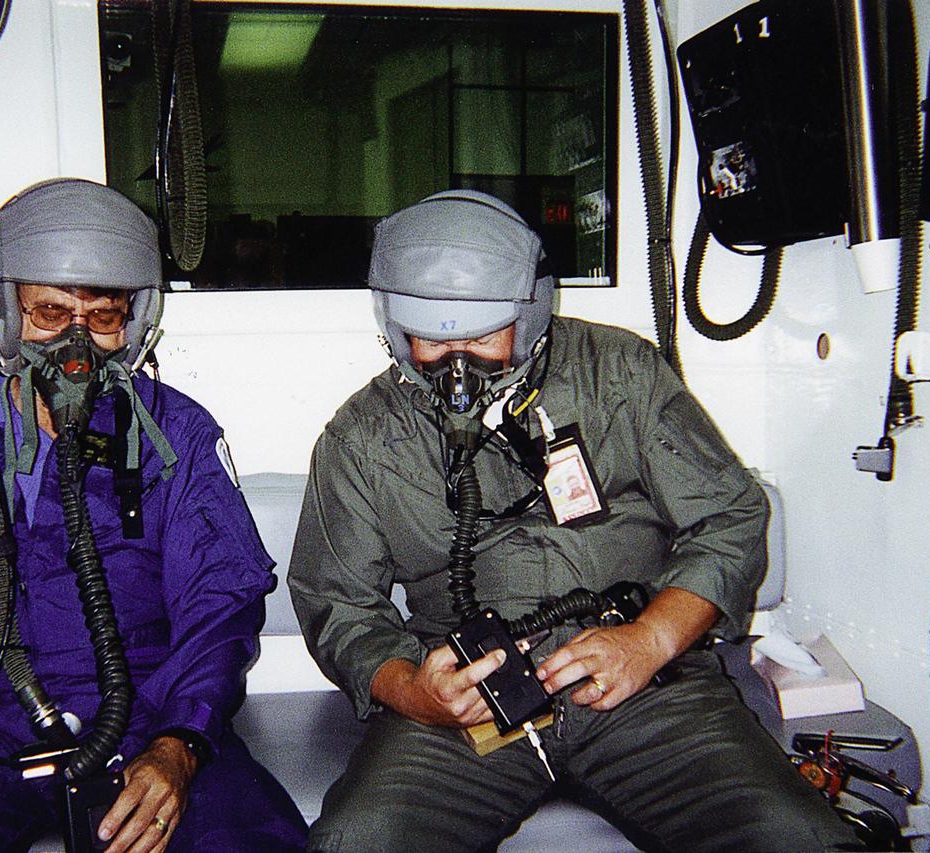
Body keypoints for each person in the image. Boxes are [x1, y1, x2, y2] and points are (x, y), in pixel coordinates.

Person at [287, 190, 857, 852]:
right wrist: (415, 690)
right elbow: (339, 606)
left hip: (645, 686)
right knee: (355, 840)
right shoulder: (362, 437)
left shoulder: (622, 374)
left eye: (479, 335)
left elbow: (728, 514)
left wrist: (649, 641)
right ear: (394, 324)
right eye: (433, 338)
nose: (457, 363)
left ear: (528, 313)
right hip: (465, 704)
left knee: (797, 836)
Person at [0, 178, 308, 852]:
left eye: (102, 315)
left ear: (132, 322)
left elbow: (220, 606)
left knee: (249, 841)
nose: (75, 343)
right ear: (1, 313)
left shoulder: (176, 434)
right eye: (50, 312)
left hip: (142, 728)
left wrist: (179, 743)